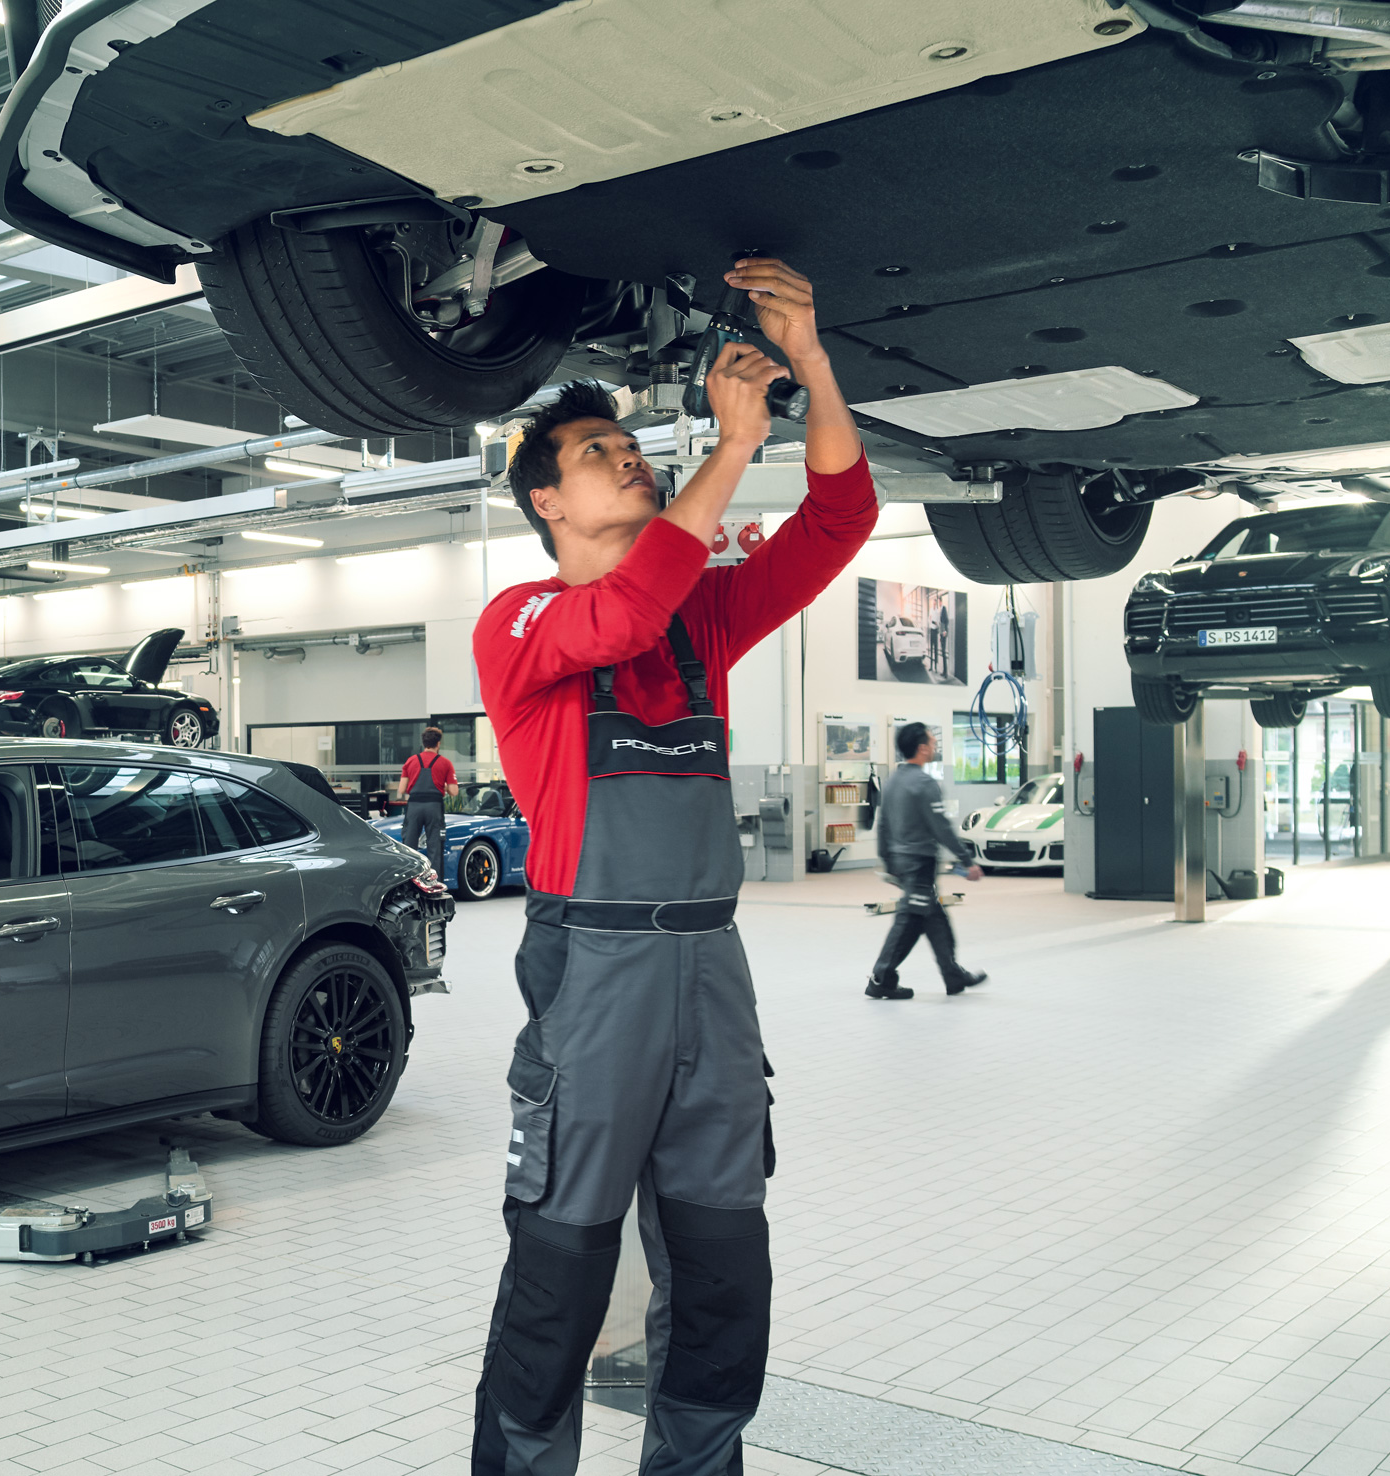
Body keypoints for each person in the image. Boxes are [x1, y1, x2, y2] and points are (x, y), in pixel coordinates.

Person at [471, 256, 870, 1475]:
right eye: (599, 453)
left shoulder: (701, 615)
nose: (629, 455)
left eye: (630, 444)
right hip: (595, 966)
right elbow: (621, 618)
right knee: (562, 1263)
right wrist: (735, 448)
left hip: (712, 965)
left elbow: (841, 520)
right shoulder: (524, 621)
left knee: (722, 1263)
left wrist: (808, 355)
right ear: (546, 503)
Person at [866, 724, 985, 1000]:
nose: (935, 746)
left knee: (933, 917)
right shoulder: (924, 783)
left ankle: (953, 975)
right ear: (922, 748)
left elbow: (882, 825)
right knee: (909, 919)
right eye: (933, 742)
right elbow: (940, 827)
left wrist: (887, 859)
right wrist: (967, 861)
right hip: (920, 862)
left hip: (902, 860)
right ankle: (881, 978)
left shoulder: (893, 780)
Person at [398, 725, 456, 859]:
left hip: (414, 807)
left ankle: (410, 879)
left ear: (423, 743)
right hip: (434, 807)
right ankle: (435, 879)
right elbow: (454, 791)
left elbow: (401, 790)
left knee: (409, 846)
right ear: (438, 743)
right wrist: (444, 786)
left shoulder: (410, 761)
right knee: (435, 847)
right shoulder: (445, 763)